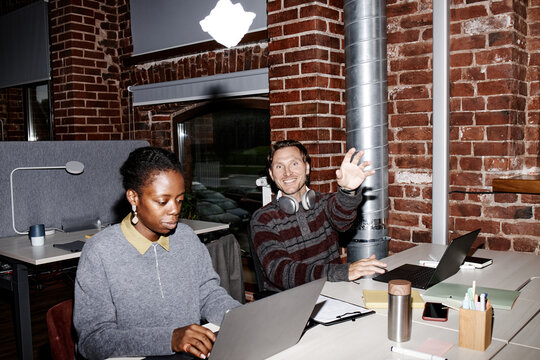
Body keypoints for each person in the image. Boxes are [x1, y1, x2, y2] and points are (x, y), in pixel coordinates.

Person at [73, 146, 240, 360]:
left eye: (179, 199)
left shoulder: (186, 238)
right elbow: (93, 340)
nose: (174, 210)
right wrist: (170, 339)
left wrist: (237, 317)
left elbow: (208, 294)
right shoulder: (100, 252)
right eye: (163, 201)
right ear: (134, 198)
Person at [250, 140, 387, 291]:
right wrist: (342, 272)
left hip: (332, 291)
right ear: (271, 174)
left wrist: (347, 191)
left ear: (307, 168)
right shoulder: (263, 219)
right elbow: (281, 272)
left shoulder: (324, 203)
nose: (287, 172)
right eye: (279, 166)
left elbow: (342, 219)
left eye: (294, 164)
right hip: (290, 302)